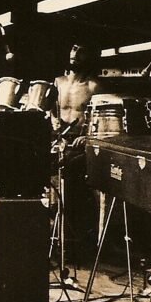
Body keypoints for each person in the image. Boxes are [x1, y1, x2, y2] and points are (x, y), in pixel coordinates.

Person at [53, 43, 101, 266]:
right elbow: (52, 110)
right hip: (60, 140)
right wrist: (53, 123)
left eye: (81, 50)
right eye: (72, 49)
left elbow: (98, 118)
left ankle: (75, 245)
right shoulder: (58, 82)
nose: (75, 54)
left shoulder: (93, 85)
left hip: (81, 145)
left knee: (74, 193)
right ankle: (55, 241)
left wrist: (89, 137)